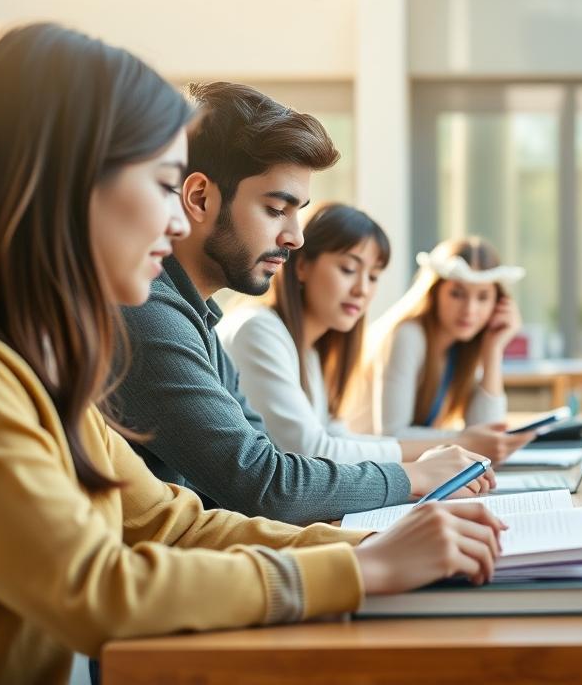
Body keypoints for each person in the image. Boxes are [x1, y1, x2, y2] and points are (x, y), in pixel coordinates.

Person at [0, 23, 505, 684]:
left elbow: (173, 524)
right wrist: (360, 568)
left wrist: (381, 548)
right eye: (160, 185)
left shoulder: (39, 363)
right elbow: (95, 589)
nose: (178, 221)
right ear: (62, 182)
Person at [108, 81, 493, 526]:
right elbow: (266, 487)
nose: (296, 237)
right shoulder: (148, 313)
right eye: (276, 210)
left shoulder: (200, 323)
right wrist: (413, 476)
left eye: (298, 211)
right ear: (199, 198)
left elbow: (270, 459)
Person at [220, 202, 447, 464]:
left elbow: (336, 435)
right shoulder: (257, 329)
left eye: (373, 276)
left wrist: (446, 447)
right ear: (302, 266)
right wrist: (436, 451)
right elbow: (311, 450)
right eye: (349, 269)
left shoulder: (309, 351)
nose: (362, 289)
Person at [346, 237, 532, 464]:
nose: (470, 310)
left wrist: (493, 351)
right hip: (362, 472)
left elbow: (485, 438)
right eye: (457, 294)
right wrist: (467, 440)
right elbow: (391, 435)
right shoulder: (408, 335)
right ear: (434, 292)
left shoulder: (462, 349)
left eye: (483, 297)